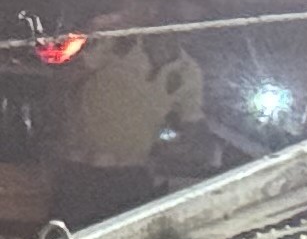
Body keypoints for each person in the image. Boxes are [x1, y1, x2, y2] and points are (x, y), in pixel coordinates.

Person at [52, 19, 205, 228]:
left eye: (187, 24)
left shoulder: (188, 71)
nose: (176, 30)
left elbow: (192, 125)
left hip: (131, 179)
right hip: (81, 173)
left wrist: (170, 150)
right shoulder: (117, 45)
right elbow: (64, 79)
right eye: (171, 18)